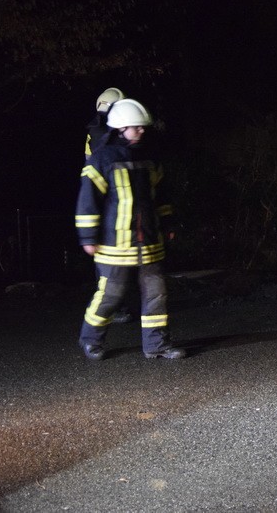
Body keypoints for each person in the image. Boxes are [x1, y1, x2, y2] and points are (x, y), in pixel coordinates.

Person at [75, 99, 185, 360]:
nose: (142, 131)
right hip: (114, 244)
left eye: (142, 127)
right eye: (137, 127)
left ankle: (157, 345)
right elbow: (87, 201)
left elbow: (161, 196)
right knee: (110, 296)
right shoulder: (102, 159)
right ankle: (90, 340)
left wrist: (167, 224)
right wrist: (88, 237)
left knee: (157, 295)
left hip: (148, 241)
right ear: (121, 128)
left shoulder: (149, 159)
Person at [84, 87, 135, 325]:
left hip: (104, 197)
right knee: (112, 259)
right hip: (114, 198)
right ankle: (115, 307)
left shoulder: (93, 131)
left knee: (108, 259)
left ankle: (116, 305)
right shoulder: (110, 131)